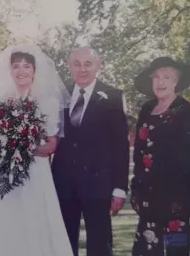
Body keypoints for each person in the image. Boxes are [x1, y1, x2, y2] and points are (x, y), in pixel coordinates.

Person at [0, 44, 73, 256]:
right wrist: (11, 146)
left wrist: (25, 147)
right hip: (7, 169)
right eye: (16, 66)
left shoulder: (48, 103)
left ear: (34, 71)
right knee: (7, 222)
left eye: (27, 66)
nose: (21, 71)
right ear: (10, 71)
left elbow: (51, 145)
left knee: (37, 223)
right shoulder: (0, 101)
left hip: (37, 172)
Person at [51, 46, 130, 256]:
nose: (82, 69)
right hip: (63, 183)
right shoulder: (60, 94)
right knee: (63, 243)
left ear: (98, 65)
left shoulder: (113, 96)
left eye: (88, 64)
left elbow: (121, 146)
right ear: (69, 66)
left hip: (98, 185)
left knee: (99, 244)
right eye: (77, 64)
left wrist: (120, 188)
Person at [131, 57, 190, 256]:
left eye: (167, 77)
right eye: (156, 77)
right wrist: (136, 186)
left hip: (175, 198)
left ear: (176, 82)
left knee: (174, 249)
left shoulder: (184, 110)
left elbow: (188, 156)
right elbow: (139, 151)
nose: (161, 82)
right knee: (148, 248)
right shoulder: (146, 109)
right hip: (147, 195)